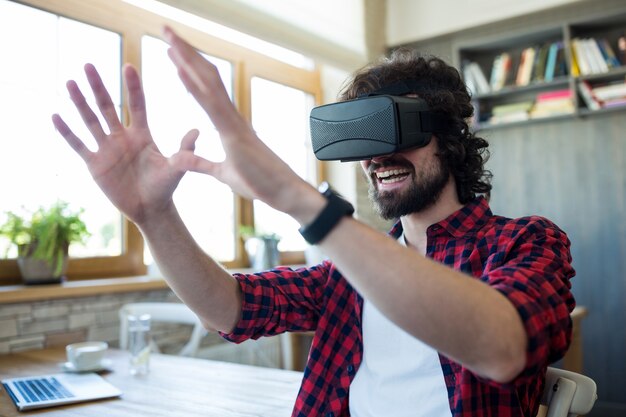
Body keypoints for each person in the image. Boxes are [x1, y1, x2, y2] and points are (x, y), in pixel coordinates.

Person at [52, 26, 575, 417]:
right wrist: (153, 216)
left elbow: (502, 349)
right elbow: (232, 309)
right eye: (364, 141)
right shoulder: (346, 273)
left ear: (451, 139)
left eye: (395, 133)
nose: (377, 157)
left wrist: (300, 201)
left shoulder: (525, 241)